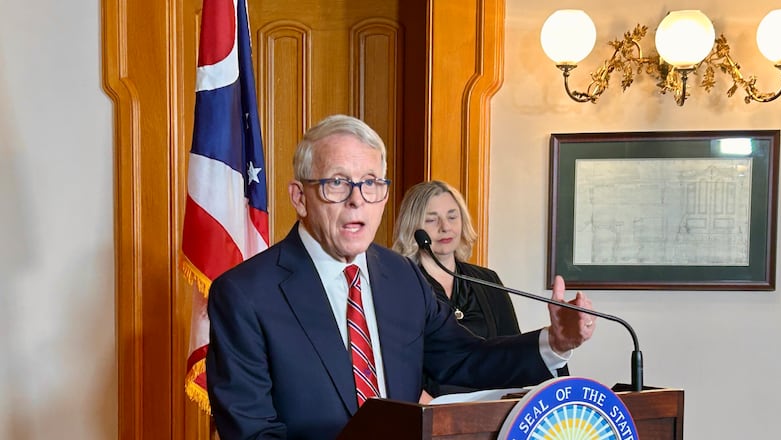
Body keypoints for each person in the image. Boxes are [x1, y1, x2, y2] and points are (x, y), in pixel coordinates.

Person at [206, 114, 596, 440]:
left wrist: (554, 342)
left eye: (371, 183)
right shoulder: (245, 294)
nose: (357, 199)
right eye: (337, 183)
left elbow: (462, 359)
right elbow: (253, 432)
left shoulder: (401, 274)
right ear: (299, 197)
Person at [392, 180, 570, 403]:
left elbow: (510, 348)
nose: (445, 227)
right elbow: (397, 361)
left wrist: (558, 342)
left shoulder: (487, 280)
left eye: (452, 216)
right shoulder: (400, 285)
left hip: (489, 411)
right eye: (431, 219)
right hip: (429, 413)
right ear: (412, 227)